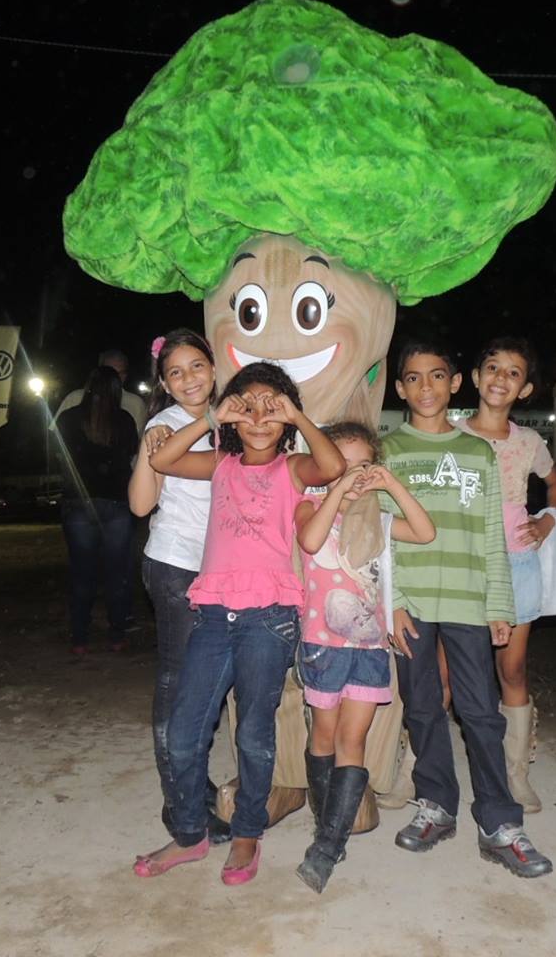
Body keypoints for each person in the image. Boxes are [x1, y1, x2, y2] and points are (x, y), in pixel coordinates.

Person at [136, 361, 344, 886]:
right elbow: (161, 459)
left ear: (287, 419)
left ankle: (248, 832)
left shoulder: (292, 470)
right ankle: (190, 835)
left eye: (270, 410)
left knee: (254, 733)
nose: (257, 418)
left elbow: (334, 464)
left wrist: (296, 412)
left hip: (269, 620)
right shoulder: (221, 463)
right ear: (232, 415)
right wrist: (210, 416)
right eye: (246, 407)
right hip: (212, 614)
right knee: (184, 734)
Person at [383, 340, 552, 879]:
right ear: (399, 387)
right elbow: (379, 536)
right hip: (412, 604)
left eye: (437, 376)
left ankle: (500, 822)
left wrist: (498, 604)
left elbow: (491, 539)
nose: (425, 387)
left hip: (467, 600)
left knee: (480, 710)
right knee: (424, 705)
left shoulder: (480, 453)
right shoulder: (389, 452)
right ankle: (436, 805)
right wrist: (394, 604)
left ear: (456, 383)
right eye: (413, 378)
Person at [294, 421, 435, 893]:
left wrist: (390, 484)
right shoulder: (310, 507)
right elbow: (310, 543)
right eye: (342, 465)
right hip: (322, 647)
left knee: (352, 741)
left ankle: (327, 847)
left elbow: (425, 530)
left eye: (362, 467)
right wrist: (335, 488)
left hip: (370, 649)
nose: (353, 476)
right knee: (324, 736)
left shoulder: (378, 521)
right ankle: (325, 823)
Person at [129, 330, 231, 868]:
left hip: (224, 573)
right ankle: (180, 806)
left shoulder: (236, 419)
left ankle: (197, 787)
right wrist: (200, 426)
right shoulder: (164, 426)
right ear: (163, 383)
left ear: (213, 367)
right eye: (176, 372)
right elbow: (141, 505)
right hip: (176, 569)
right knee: (177, 690)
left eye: (197, 366)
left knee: (206, 693)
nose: (189, 379)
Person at [455, 337, 556, 813]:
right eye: (493, 368)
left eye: (513, 372)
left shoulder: (529, 442)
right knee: (444, 675)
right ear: (477, 378)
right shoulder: (451, 432)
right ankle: (414, 765)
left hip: (517, 563)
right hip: (462, 566)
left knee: (512, 669)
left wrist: (548, 519)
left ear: (525, 390)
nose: (501, 378)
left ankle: (515, 772)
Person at [56, 366, 138, 654]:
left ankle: (80, 636)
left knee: (82, 572)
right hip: (115, 502)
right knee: (117, 573)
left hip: (78, 501)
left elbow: (59, 456)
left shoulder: (68, 419)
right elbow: (130, 457)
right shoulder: (125, 420)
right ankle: (116, 634)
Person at [53, 349, 147, 436]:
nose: (113, 378)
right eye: (108, 372)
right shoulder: (75, 398)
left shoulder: (136, 404)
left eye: (119, 374)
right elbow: (55, 437)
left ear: (125, 376)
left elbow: (140, 441)